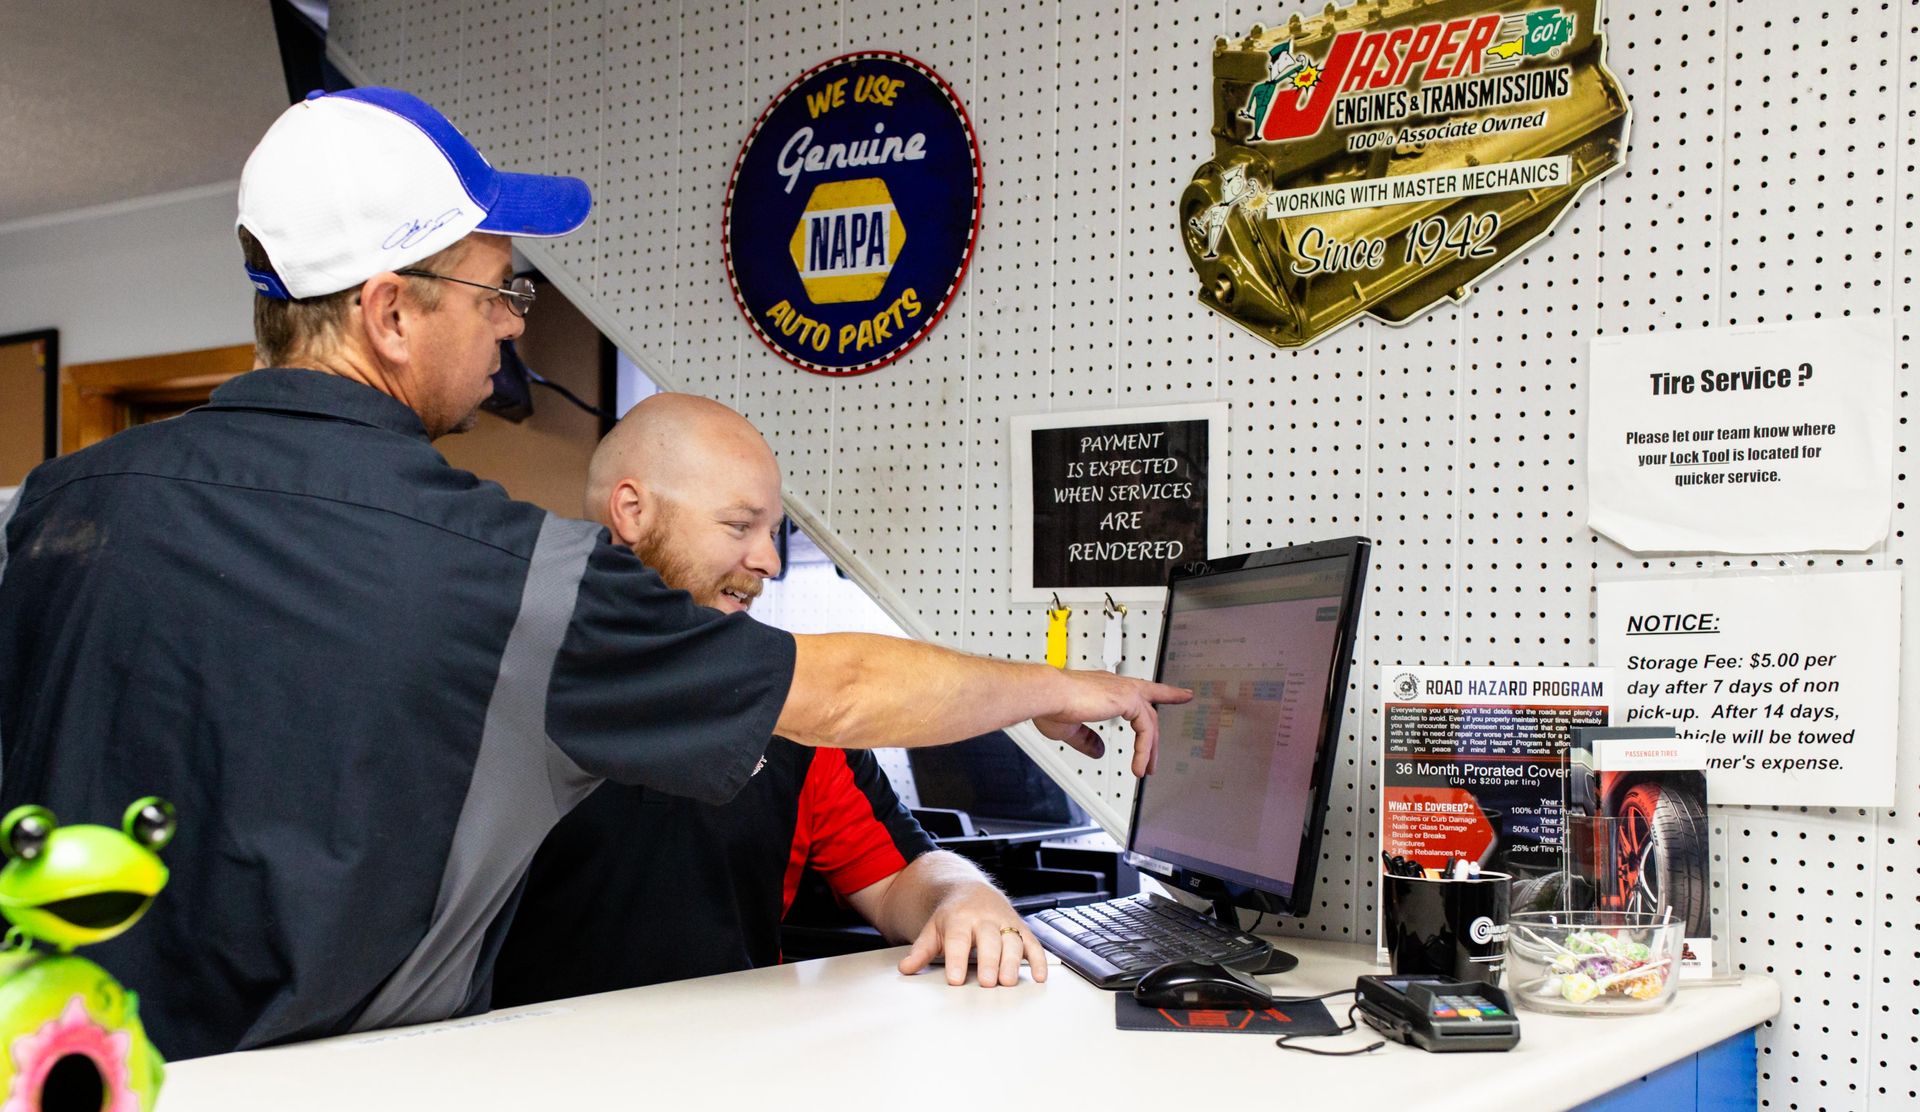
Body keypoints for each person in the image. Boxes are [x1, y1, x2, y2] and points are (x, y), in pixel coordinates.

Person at [0, 87, 1186, 1060]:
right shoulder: (501, 573)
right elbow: (839, 687)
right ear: (389, 313)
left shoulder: (58, 507)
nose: (515, 323)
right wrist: (1054, 685)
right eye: (497, 291)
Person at [493, 397, 1048, 1005]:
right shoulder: (495, 682)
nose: (770, 561)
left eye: (772, 532)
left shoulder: (793, 713)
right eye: (739, 526)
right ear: (632, 511)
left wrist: (963, 894)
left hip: (739, 1051)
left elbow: (898, 879)